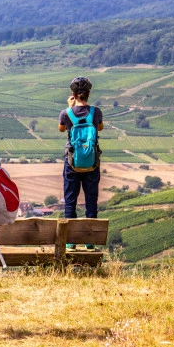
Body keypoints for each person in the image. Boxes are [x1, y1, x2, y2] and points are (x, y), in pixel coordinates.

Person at [58, 77, 104, 250]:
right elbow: (100, 128)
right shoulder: (96, 112)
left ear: (73, 94)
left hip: (72, 162)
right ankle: (89, 241)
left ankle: (70, 242)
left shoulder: (66, 113)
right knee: (91, 200)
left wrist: (70, 108)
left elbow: (61, 129)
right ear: (89, 94)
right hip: (91, 161)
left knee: (71, 200)